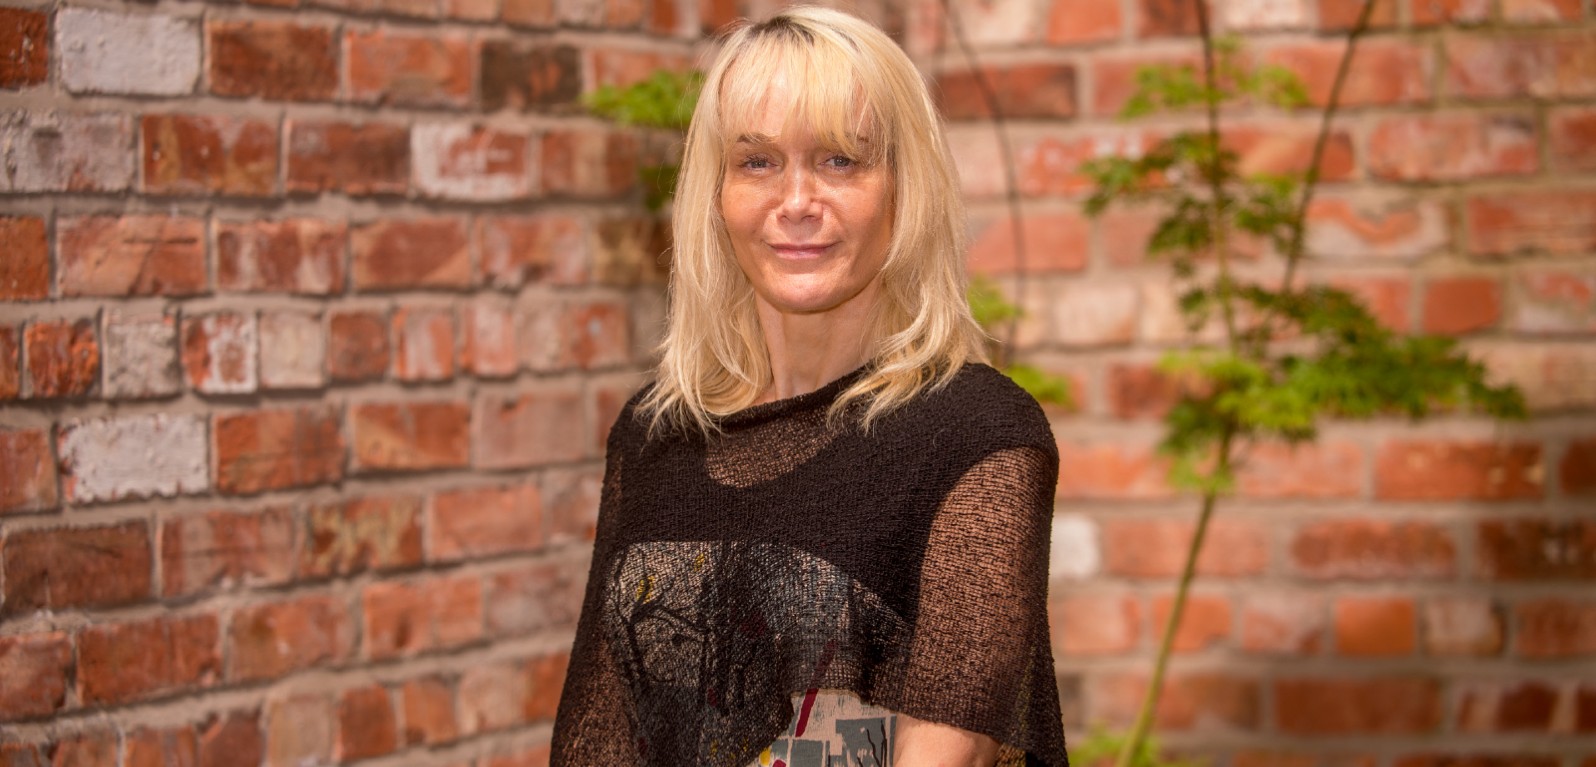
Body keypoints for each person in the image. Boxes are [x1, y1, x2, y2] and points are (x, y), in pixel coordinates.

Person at [549, 6, 1068, 767]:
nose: (795, 202)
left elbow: (948, 754)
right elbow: (597, 734)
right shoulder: (655, 431)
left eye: (840, 161)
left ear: (903, 188)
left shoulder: (977, 433)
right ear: (717, 194)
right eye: (757, 162)